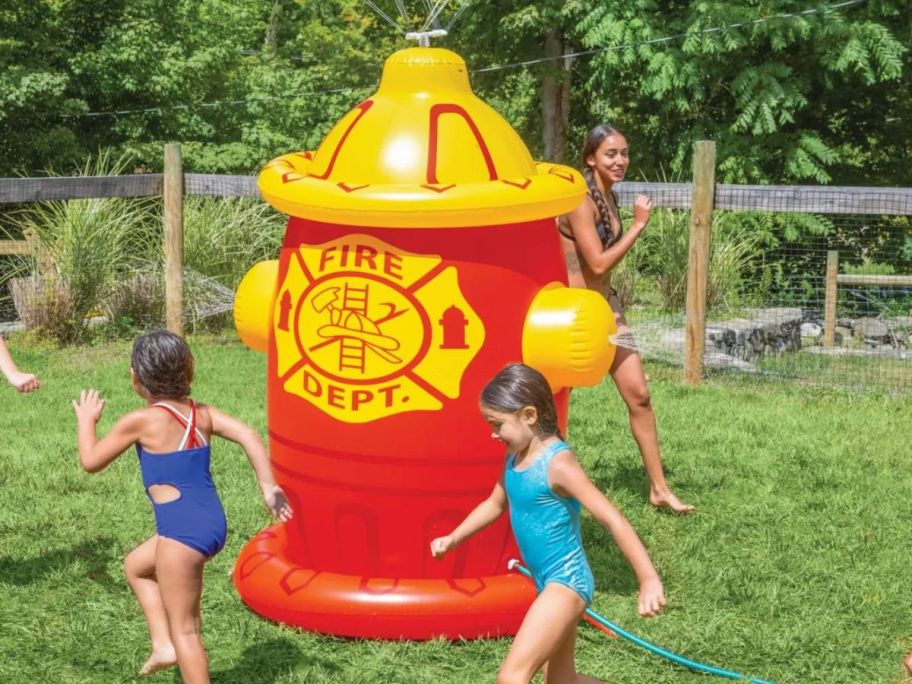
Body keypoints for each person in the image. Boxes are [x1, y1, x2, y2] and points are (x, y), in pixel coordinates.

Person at [72, 330, 292, 682]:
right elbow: (248, 434)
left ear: (136, 377)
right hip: (210, 524)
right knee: (136, 566)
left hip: (182, 534)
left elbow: (91, 461)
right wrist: (267, 486)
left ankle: (175, 645)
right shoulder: (200, 414)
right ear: (189, 371)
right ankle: (163, 646)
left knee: (187, 630)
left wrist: (86, 421)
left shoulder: (141, 421)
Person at [430, 363, 665, 684]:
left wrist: (648, 579)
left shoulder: (558, 464)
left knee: (511, 677)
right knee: (561, 681)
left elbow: (613, 519)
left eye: (498, 424)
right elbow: (494, 504)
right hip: (546, 582)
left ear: (529, 415)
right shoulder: (514, 455)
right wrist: (453, 538)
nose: (493, 433)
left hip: (566, 583)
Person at [559, 123, 694, 514]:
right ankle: (543, 485)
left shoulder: (608, 197)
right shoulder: (579, 201)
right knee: (553, 407)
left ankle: (659, 489)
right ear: (590, 158)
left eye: (624, 153)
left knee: (640, 394)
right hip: (573, 316)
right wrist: (637, 226)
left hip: (607, 309)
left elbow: (603, 276)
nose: (620, 161)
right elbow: (598, 265)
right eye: (610, 154)